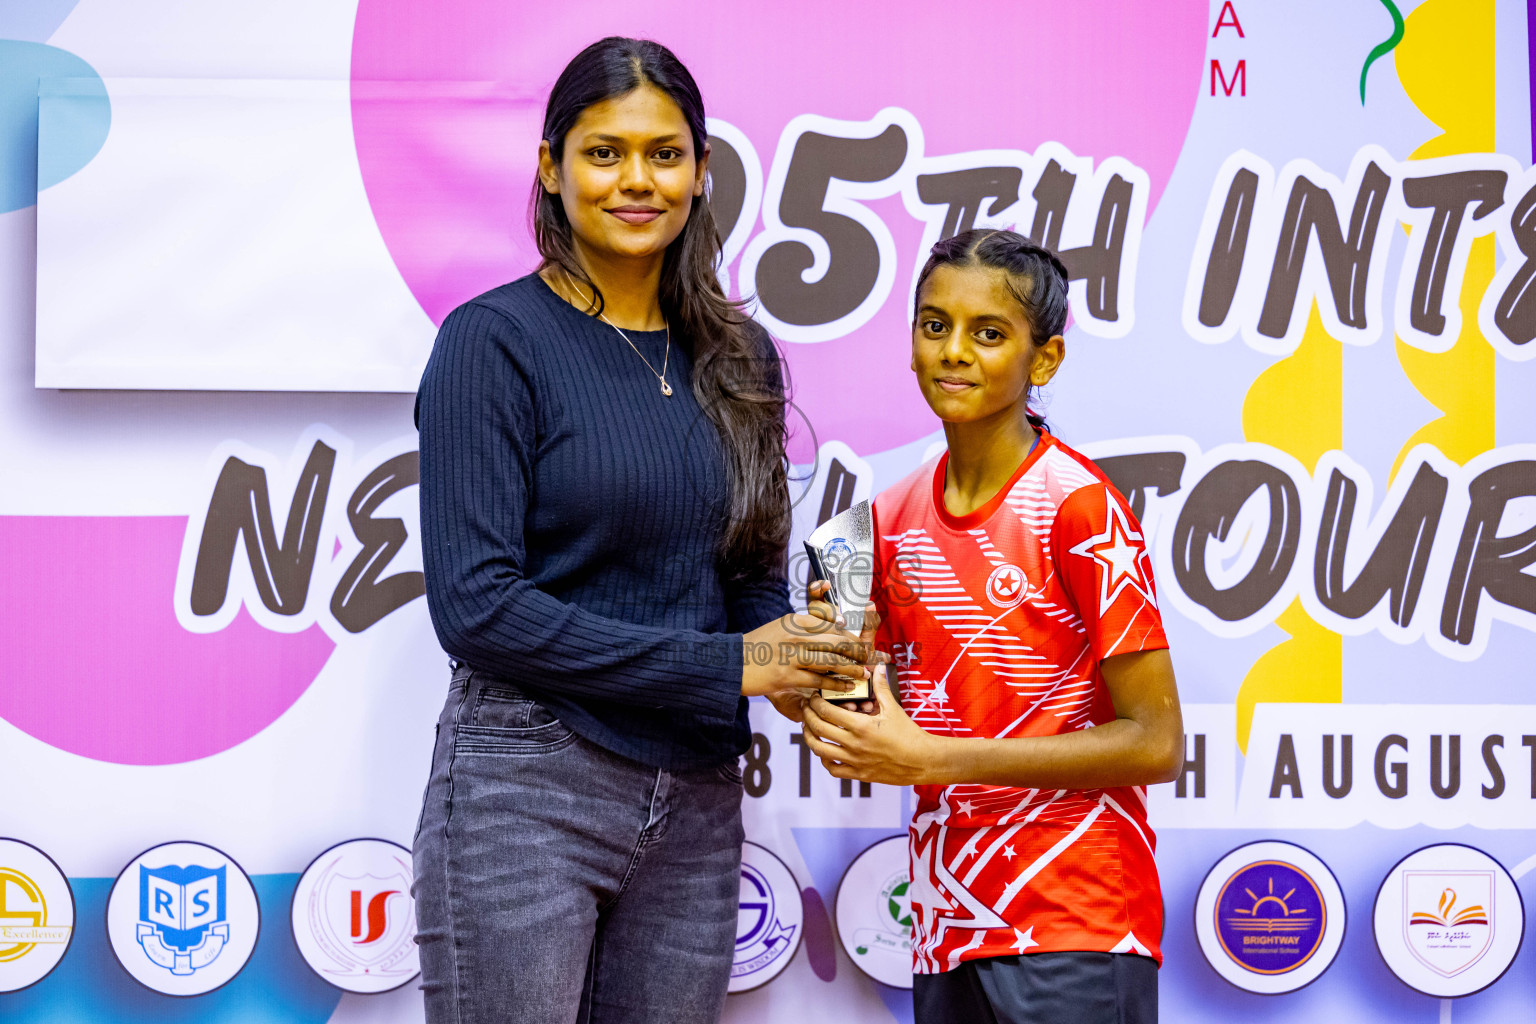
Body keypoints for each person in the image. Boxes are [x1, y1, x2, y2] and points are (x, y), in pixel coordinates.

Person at [411, 37, 869, 1024]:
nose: (636, 180)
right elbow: (476, 607)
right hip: (527, 786)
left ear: (703, 172)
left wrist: (801, 662)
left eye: (664, 154)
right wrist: (730, 665)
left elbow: (746, 571)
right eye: (603, 152)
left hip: (698, 798)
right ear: (551, 166)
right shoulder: (492, 343)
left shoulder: (739, 351)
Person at [799, 229, 1183, 1024]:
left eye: (989, 332)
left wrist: (934, 756)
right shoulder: (876, 525)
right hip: (945, 921)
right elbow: (857, 726)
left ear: (1044, 361)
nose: (955, 352)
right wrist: (822, 668)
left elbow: (1155, 742)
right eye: (935, 325)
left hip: (1076, 917)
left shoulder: (1078, 508)